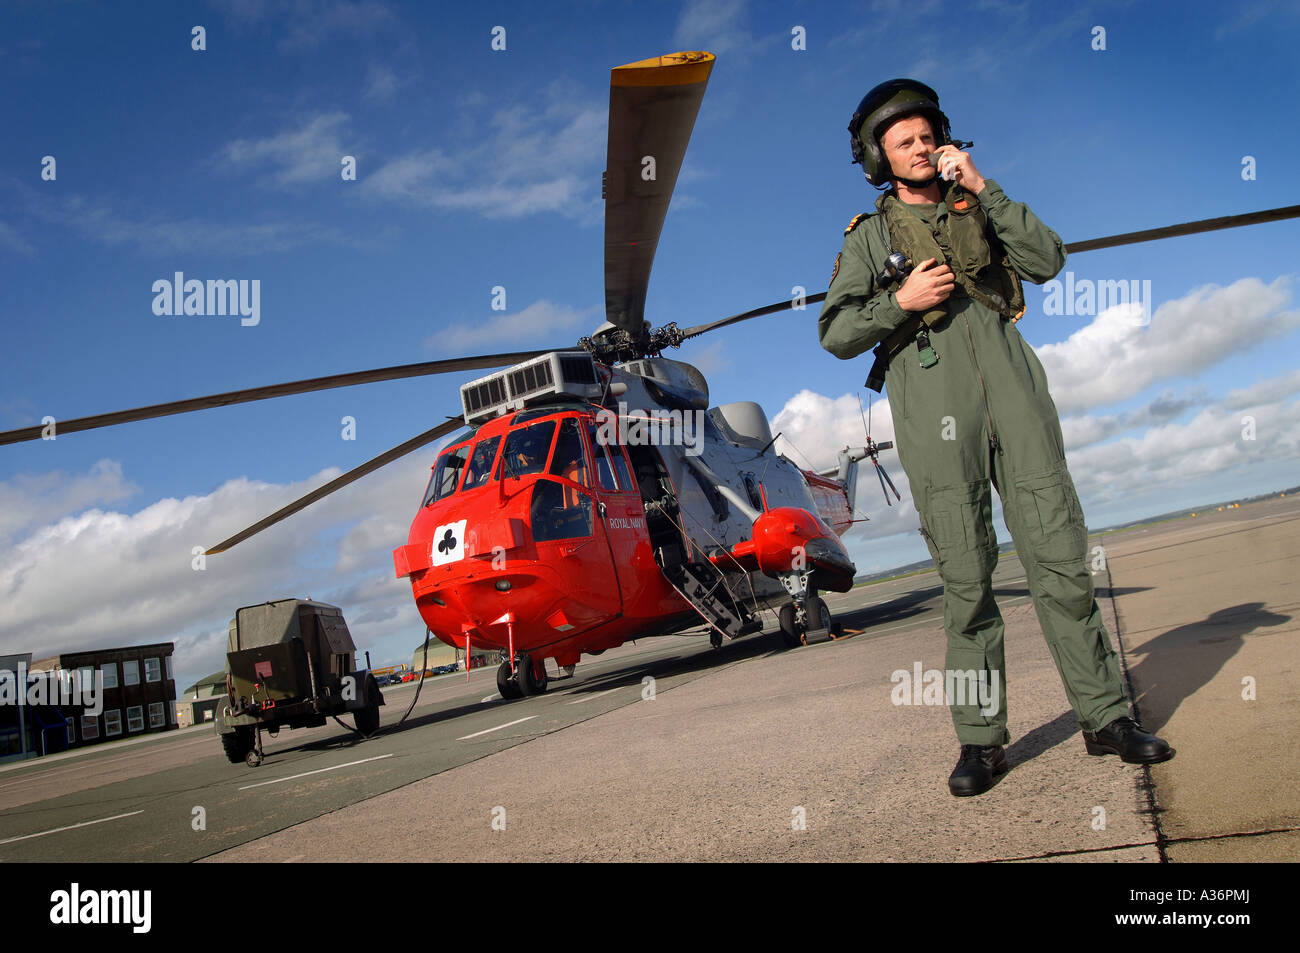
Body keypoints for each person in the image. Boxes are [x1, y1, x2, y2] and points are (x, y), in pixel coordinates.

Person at [818, 79, 1174, 797]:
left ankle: (1104, 717)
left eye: (927, 136)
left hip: (1014, 391)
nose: (920, 149)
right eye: (903, 141)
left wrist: (987, 187)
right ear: (878, 158)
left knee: (1061, 561)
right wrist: (900, 301)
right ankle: (982, 741)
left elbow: (1047, 260)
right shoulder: (868, 236)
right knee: (967, 580)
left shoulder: (979, 203)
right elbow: (835, 332)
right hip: (931, 398)